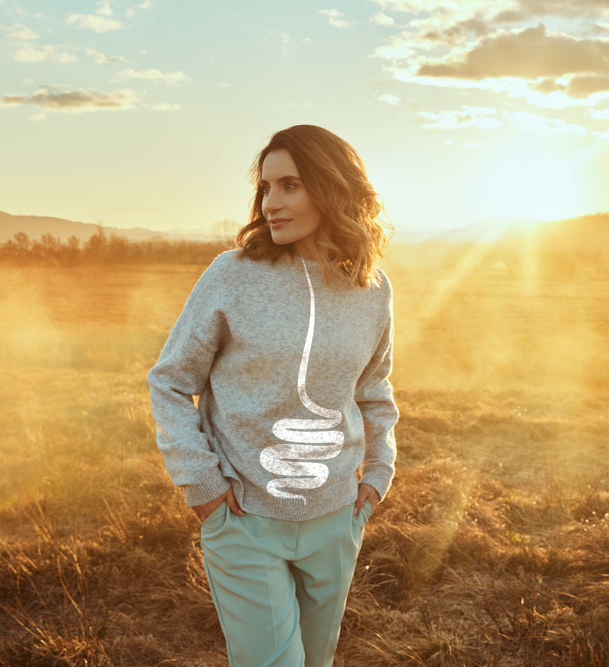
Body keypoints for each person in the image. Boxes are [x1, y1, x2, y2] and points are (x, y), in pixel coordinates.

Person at [147, 124, 399, 667]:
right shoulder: (232, 275)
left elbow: (373, 389)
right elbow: (169, 381)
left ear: (331, 190)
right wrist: (204, 488)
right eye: (266, 188)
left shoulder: (371, 289)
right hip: (245, 520)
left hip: (336, 518)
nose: (271, 203)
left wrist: (378, 477)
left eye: (290, 186)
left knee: (316, 662)